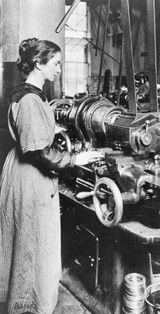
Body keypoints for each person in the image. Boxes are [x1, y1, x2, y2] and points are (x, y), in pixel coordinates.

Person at [0, 38, 104, 314]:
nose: (59, 68)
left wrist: (52, 128)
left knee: (27, 240)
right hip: (30, 177)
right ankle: (30, 304)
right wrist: (76, 159)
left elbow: (31, 128)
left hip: (20, 173)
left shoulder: (26, 92)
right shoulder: (31, 98)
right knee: (32, 241)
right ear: (39, 63)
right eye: (55, 63)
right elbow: (39, 154)